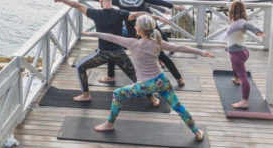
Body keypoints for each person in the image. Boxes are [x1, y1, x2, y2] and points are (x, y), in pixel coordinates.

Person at [82, 15, 214, 141]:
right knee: (178, 106)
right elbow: (180, 47)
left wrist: (92, 34)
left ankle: (109, 124)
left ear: (140, 29)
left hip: (146, 85)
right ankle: (197, 131)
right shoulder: (157, 42)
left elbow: (111, 37)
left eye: (136, 25)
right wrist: (201, 52)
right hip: (162, 80)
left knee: (117, 94)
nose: (134, 27)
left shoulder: (133, 43)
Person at [52, 0, 165, 105]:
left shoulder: (95, 13)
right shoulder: (120, 13)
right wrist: (158, 18)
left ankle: (86, 95)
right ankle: (152, 99)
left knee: (80, 67)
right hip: (119, 53)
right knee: (137, 77)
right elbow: (140, 14)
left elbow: (77, 5)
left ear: (101, 0)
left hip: (103, 54)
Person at [76, 0, 187, 87]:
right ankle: (179, 78)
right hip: (148, 31)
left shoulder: (120, 1)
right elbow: (158, 1)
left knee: (112, 45)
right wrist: (174, 7)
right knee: (162, 55)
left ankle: (111, 76)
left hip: (134, 34)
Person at [226, 1, 265, 109]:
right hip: (243, 51)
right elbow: (230, 6)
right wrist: (230, 4)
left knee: (244, 76)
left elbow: (249, 26)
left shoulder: (239, 23)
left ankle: (245, 101)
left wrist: (257, 32)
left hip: (237, 54)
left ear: (232, 12)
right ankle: (236, 78)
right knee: (234, 65)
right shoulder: (238, 21)